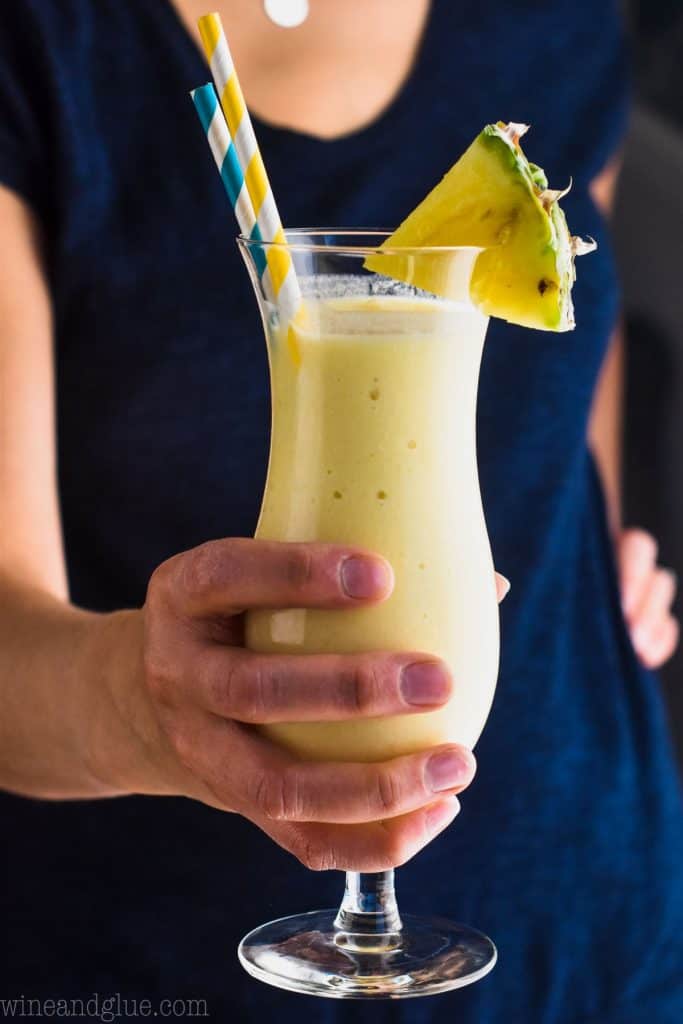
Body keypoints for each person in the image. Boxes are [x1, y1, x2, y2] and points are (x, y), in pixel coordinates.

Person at [1, 2, 682, 1021]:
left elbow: (563, 358)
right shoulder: (41, 35)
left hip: (597, 924)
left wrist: (600, 550)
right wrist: (146, 708)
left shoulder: (558, 19)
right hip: (162, 968)